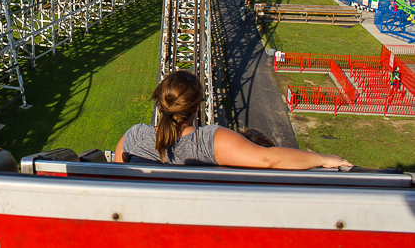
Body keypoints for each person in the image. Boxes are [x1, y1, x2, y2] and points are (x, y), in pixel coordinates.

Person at [115, 70, 351, 169]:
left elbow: (116, 180)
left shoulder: (134, 135)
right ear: (197, 106)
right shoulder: (209, 140)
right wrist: (322, 158)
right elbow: (268, 158)